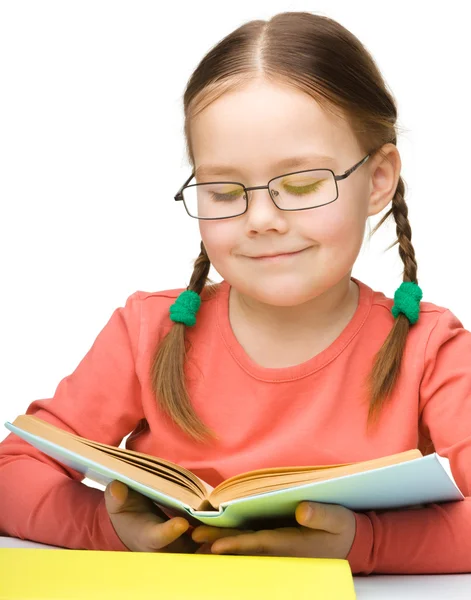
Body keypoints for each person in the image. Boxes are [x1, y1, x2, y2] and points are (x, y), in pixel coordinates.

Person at [1, 10, 470, 575]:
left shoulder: (431, 350)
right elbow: (15, 470)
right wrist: (109, 528)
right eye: (224, 191)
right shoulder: (147, 331)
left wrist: (364, 543)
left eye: (301, 184)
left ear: (377, 180)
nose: (262, 219)